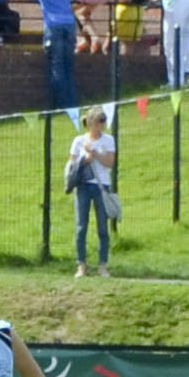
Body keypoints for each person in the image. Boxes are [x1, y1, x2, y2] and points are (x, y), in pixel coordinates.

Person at [19, 0, 77, 112]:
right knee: (69, 64)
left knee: (56, 65)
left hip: (53, 24)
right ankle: (73, 103)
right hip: (69, 23)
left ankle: (62, 105)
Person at [66, 105, 117, 277]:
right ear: (91, 123)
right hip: (83, 186)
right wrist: (85, 159)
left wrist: (95, 153)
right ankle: (81, 265)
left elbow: (110, 162)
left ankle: (103, 265)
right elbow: (71, 165)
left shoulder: (109, 140)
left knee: (103, 227)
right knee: (81, 226)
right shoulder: (78, 141)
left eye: (104, 121)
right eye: (99, 121)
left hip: (102, 186)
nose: (102, 124)